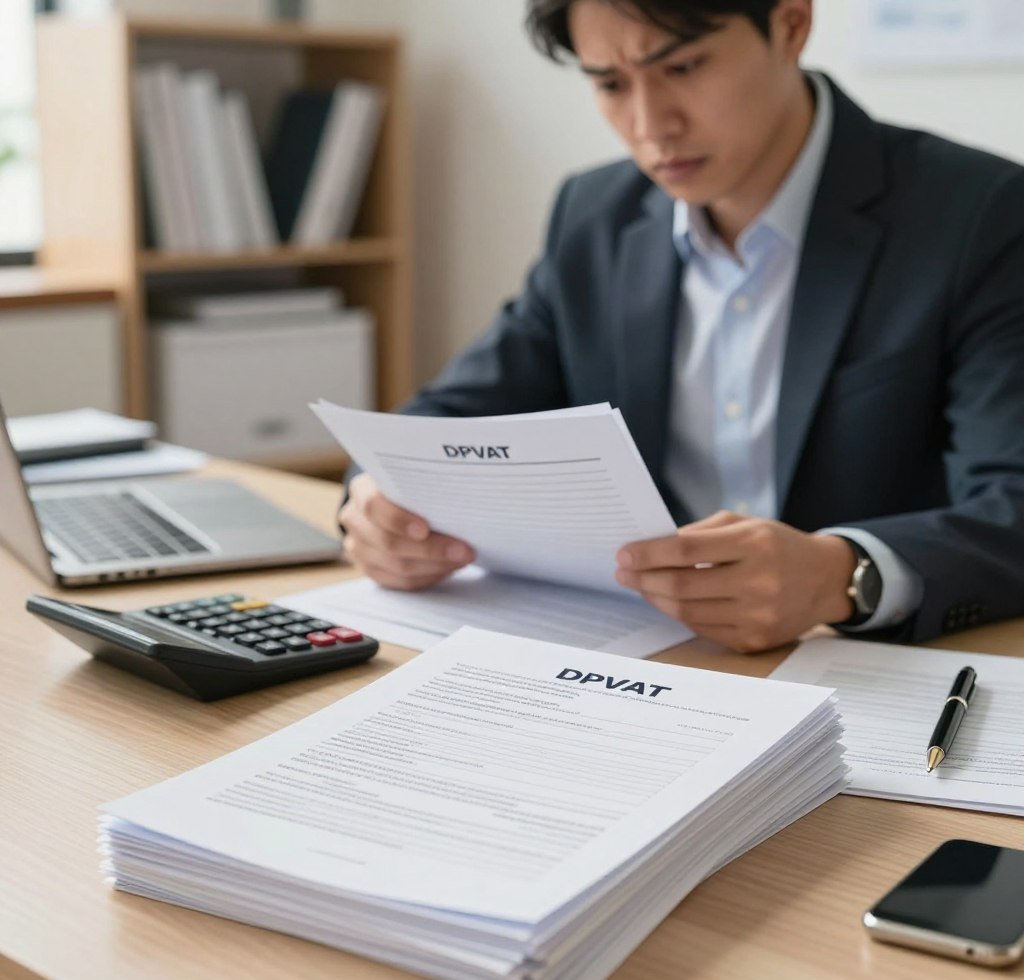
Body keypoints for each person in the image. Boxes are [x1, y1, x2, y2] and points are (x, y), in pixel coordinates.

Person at [339, 0, 1024, 653]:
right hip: (649, 661)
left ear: (790, 24)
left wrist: (838, 574)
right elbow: (448, 418)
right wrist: (376, 501)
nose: (650, 125)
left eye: (683, 67)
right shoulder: (595, 215)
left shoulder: (977, 214)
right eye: (609, 83)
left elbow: (1012, 503)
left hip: (868, 669)